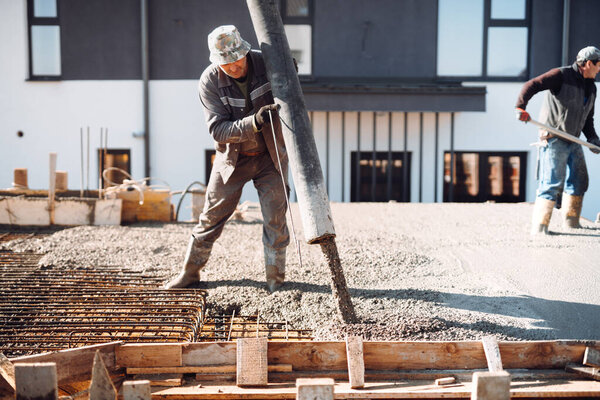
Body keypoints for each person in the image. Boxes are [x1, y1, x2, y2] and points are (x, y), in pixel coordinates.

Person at [166, 25, 289, 291]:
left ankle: (275, 282)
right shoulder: (210, 81)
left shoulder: (265, 63)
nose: (233, 67)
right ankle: (189, 274)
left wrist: (289, 69)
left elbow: (290, 86)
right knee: (210, 217)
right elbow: (218, 131)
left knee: (275, 219)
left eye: (236, 60)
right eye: (226, 63)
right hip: (232, 160)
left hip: (270, 157)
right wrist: (253, 123)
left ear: (244, 51)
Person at [516, 45, 600, 234]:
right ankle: (540, 228)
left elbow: (588, 119)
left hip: (573, 139)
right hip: (554, 137)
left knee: (580, 181)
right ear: (588, 63)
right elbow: (532, 84)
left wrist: (593, 139)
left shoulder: (591, 88)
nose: (599, 69)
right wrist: (521, 106)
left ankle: (571, 223)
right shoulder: (561, 75)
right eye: (598, 65)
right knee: (552, 182)